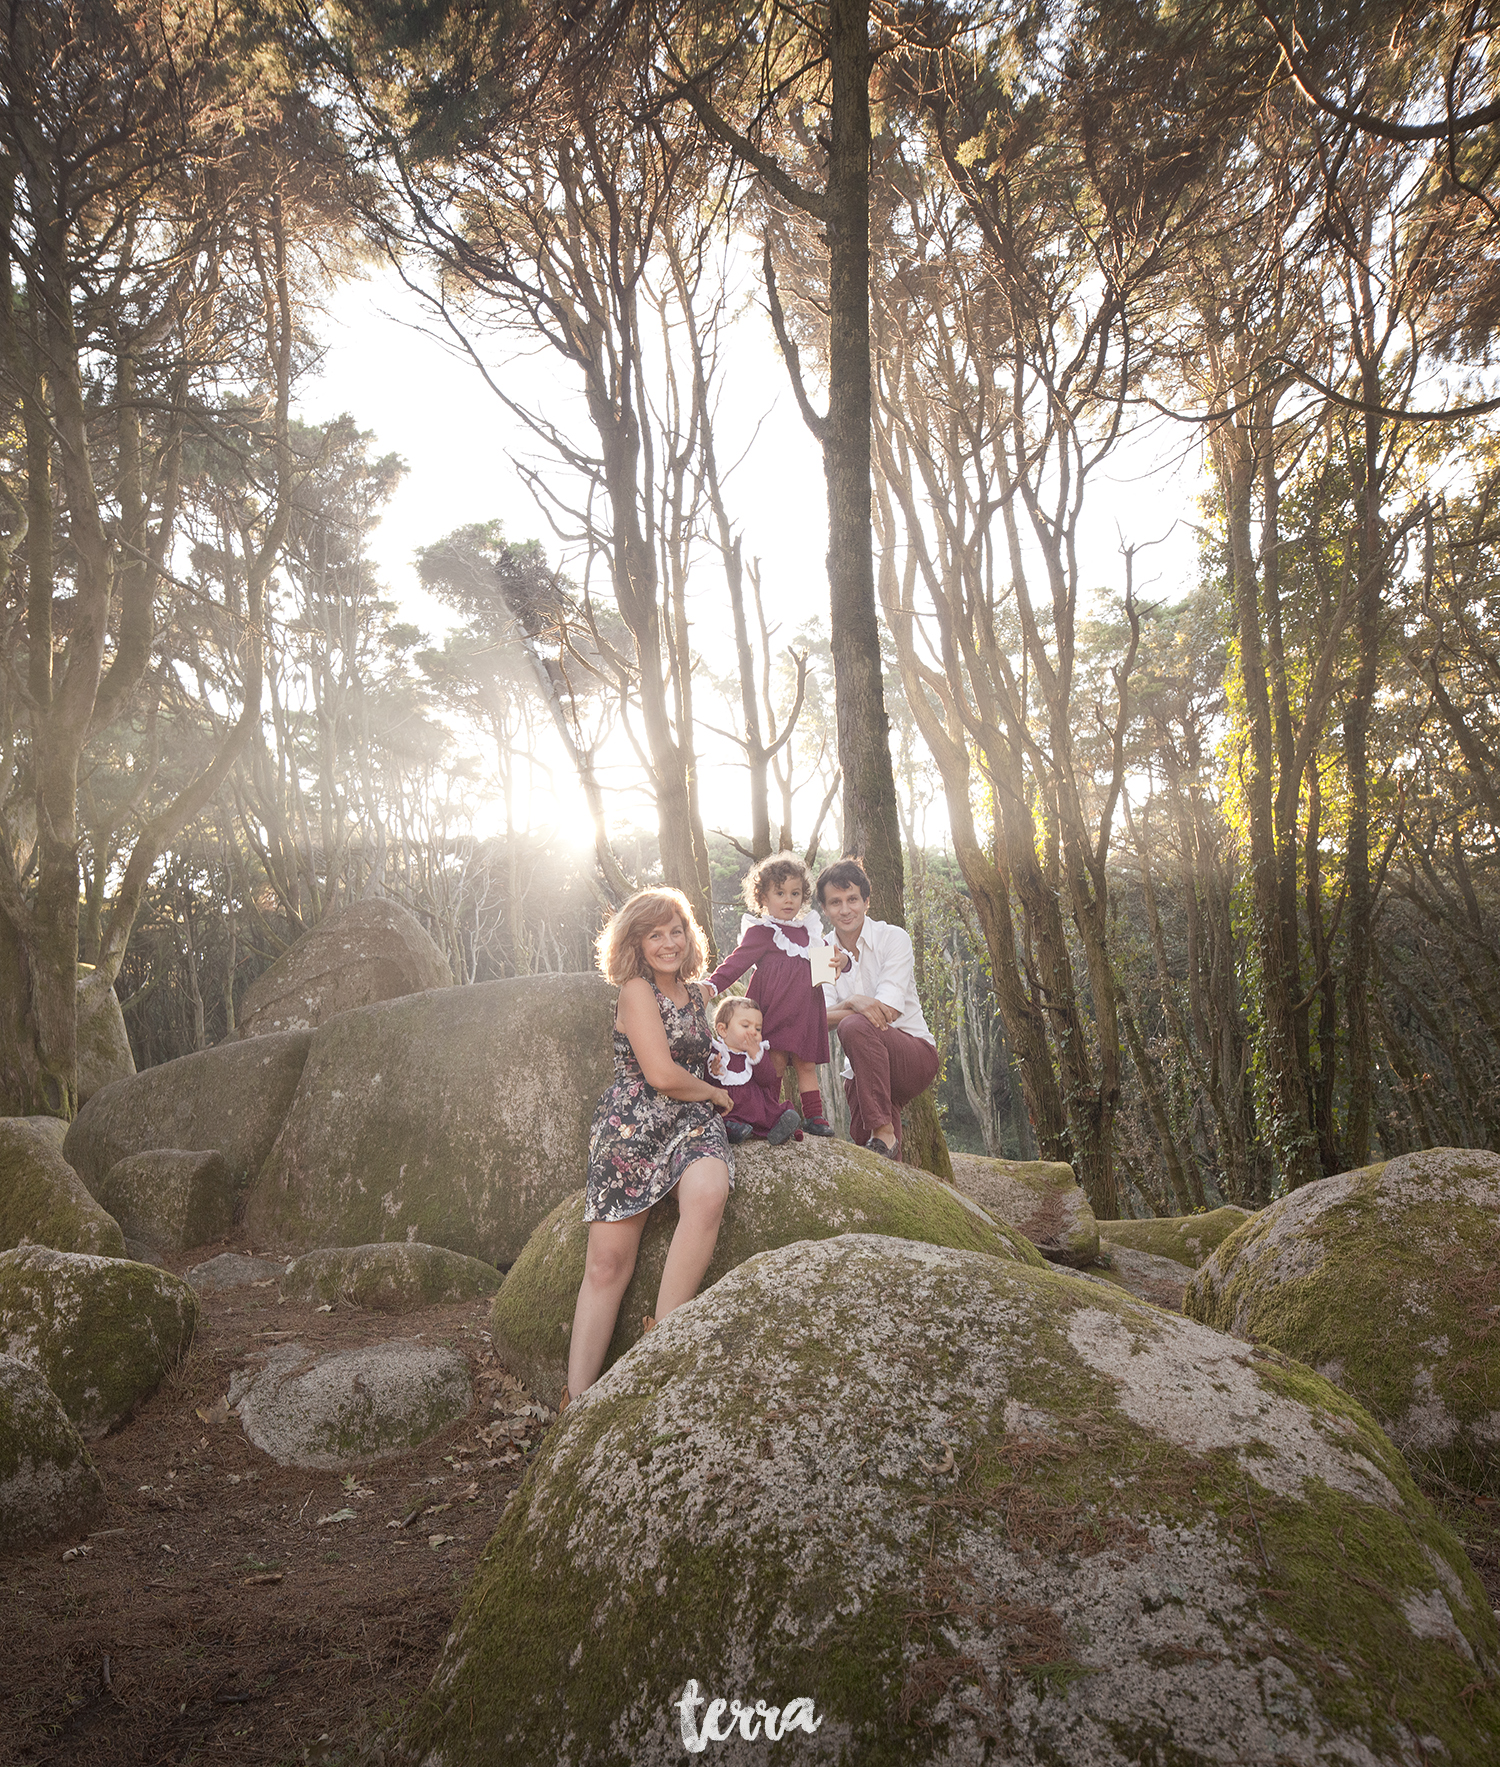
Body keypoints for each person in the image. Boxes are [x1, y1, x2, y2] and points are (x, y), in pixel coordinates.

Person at [565, 888, 733, 1407]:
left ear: (689, 935)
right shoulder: (635, 992)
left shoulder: (702, 994)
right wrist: (711, 1091)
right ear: (636, 943)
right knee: (608, 1265)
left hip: (691, 1123)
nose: (668, 943)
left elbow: (741, 1033)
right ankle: (578, 1400)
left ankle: (660, 1342)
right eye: (655, 934)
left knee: (709, 1192)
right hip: (634, 1125)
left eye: (676, 930)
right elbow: (660, 1074)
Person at [703, 851, 843, 1137]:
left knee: (806, 1064)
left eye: (795, 893)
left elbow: (834, 959)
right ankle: (771, 1113)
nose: (788, 899)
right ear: (763, 898)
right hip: (773, 1009)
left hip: (806, 1010)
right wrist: (711, 986)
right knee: (773, 1063)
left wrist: (843, 962)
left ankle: (815, 1117)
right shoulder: (762, 931)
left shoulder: (810, 931)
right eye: (780, 893)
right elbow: (736, 962)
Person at [817, 857, 939, 1161]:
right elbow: (817, 1019)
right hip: (862, 1070)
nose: (845, 910)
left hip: (913, 1054)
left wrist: (844, 1010)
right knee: (872, 1155)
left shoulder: (893, 938)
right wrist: (852, 1001)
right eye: (835, 902)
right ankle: (885, 1140)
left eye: (852, 899)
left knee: (853, 1026)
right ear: (824, 908)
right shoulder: (821, 954)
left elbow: (887, 1012)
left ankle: (883, 1129)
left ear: (866, 901)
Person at [709, 996, 801, 1146]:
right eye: (745, 1026)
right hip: (731, 1109)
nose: (753, 1032)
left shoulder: (757, 1053)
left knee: (774, 1112)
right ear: (723, 1030)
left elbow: (767, 1079)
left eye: (758, 1029)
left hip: (757, 1107)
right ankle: (734, 1131)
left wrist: (755, 1055)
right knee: (723, 1120)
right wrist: (713, 1069)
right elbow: (707, 1083)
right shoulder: (717, 1052)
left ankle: (781, 1126)